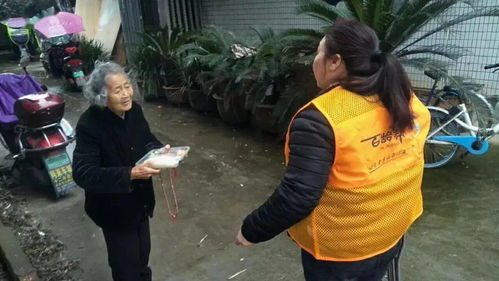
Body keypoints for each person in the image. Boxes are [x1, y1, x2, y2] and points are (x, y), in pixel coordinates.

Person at [234, 19, 430, 281]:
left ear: (335, 61)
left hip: (341, 251)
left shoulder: (322, 119)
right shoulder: (403, 97)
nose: (315, 61)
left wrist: (252, 230)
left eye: (318, 53)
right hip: (393, 229)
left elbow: (297, 197)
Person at [72, 62, 166, 281]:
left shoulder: (134, 111)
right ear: (102, 96)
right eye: (117, 90)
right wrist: (130, 174)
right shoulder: (89, 125)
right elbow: (83, 173)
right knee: (125, 269)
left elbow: (146, 140)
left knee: (142, 258)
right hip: (113, 211)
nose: (126, 94)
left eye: (127, 86)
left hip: (140, 202)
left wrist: (160, 152)